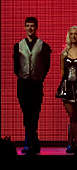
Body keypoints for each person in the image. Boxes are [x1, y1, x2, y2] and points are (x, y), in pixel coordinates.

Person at [13, 17, 52, 154]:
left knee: (34, 114)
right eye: (27, 26)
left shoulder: (43, 45)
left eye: (32, 26)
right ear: (24, 27)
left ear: (36, 28)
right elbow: (15, 65)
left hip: (36, 84)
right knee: (26, 114)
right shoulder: (18, 45)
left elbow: (46, 64)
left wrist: (39, 77)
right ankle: (32, 143)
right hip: (23, 84)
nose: (30, 28)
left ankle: (32, 144)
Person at [56, 26, 77, 153]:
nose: (74, 36)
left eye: (76, 34)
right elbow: (62, 72)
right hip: (66, 87)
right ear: (68, 36)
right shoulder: (64, 54)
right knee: (72, 116)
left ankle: (71, 144)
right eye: (71, 34)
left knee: (74, 117)